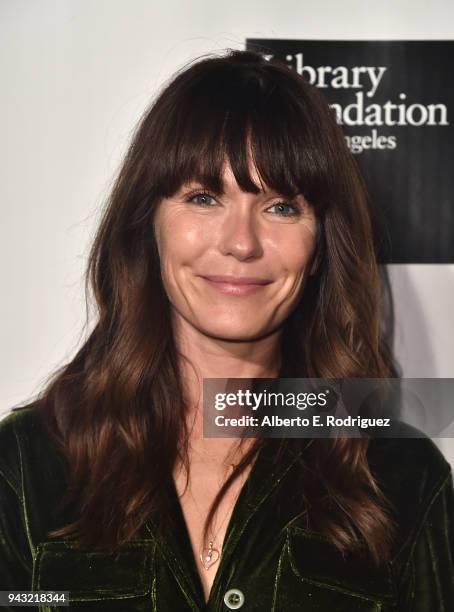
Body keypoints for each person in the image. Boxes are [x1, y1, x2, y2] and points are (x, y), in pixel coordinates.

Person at [0, 48, 453, 611]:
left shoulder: (402, 478)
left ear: (318, 249)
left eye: (282, 207)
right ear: (149, 228)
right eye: (203, 197)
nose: (241, 242)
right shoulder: (24, 465)